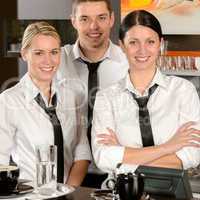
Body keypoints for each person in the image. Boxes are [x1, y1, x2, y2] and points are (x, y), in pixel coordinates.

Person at [92, 10, 200, 177]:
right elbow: (103, 158)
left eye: (150, 41)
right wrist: (168, 147)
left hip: (172, 191)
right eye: (133, 42)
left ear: (160, 44)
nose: (142, 50)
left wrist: (123, 161)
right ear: (122, 45)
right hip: (121, 191)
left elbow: (191, 156)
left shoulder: (183, 90)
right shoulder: (106, 97)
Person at [0, 21, 91, 187]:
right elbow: (0, 160)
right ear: (24, 54)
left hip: (69, 193)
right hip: (29, 196)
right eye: (39, 53)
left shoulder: (71, 96)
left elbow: (82, 151)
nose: (48, 61)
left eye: (54, 52)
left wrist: (67, 191)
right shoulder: (8, 100)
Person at [57, 0, 128, 187]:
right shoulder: (56, 60)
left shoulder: (129, 61)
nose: (93, 26)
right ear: (73, 21)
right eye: (84, 19)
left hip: (117, 172)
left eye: (101, 18)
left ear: (112, 19)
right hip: (66, 173)